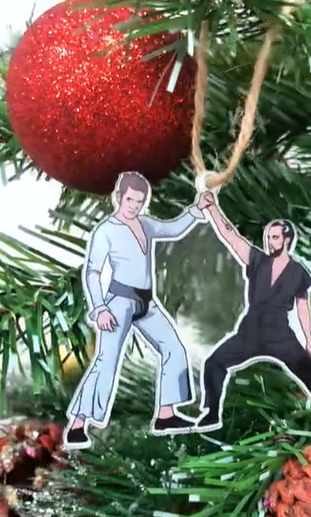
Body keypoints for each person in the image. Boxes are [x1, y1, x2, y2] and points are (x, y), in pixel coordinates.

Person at [64, 172, 211, 448]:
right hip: (118, 302)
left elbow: (173, 229)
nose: (134, 205)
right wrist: (100, 308)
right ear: (118, 197)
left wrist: (196, 210)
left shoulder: (145, 224)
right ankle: (78, 423)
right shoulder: (106, 230)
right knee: (106, 360)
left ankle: (166, 414)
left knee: (173, 348)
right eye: (130, 200)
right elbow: (93, 272)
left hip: (147, 301)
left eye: (139, 201)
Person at [196, 192, 311, 431]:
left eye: (275, 237)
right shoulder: (258, 260)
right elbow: (231, 236)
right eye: (268, 237)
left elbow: (303, 307)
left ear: (287, 240)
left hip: (279, 333)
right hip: (250, 331)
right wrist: (212, 208)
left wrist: (309, 343)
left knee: (306, 367)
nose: (270, 241)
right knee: (214, 362)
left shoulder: (297, 271)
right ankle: (211, 413)